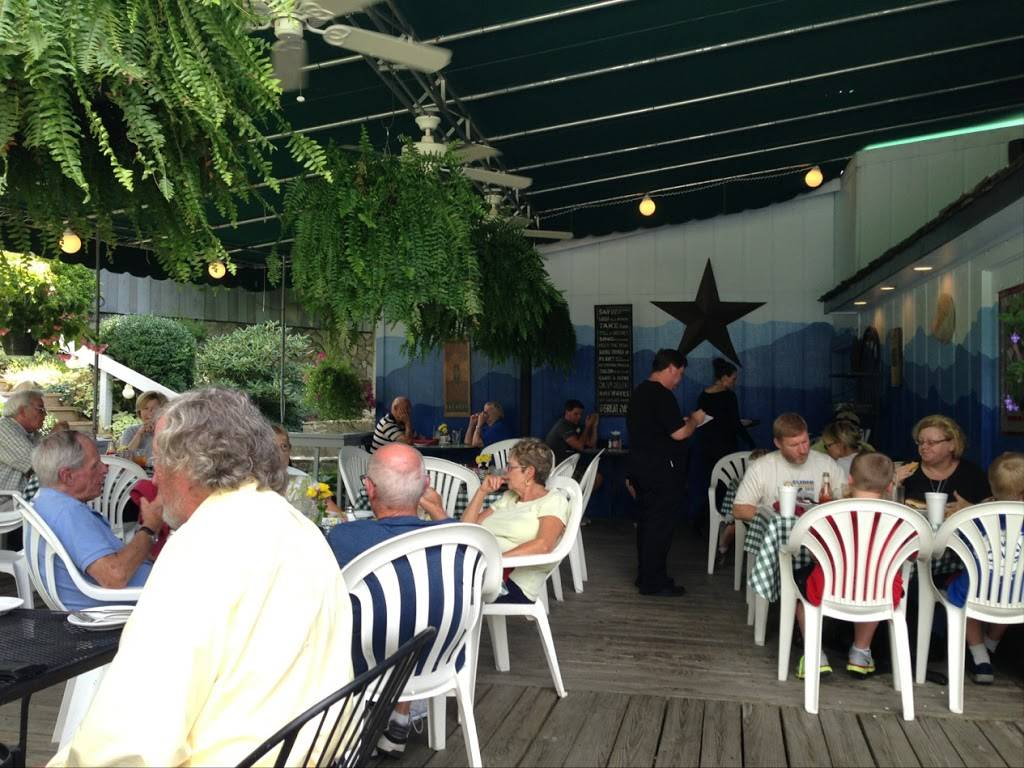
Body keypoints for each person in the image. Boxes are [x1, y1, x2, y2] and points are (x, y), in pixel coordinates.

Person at [50, 389, 353, 767]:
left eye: (159, 462)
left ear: (190, 468)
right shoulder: (299, 527)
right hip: (308, 753)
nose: (154, 477)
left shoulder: (202, 546)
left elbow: (131, 738)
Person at [327, 442, 452, 757]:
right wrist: (440, 513)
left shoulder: (345, 537)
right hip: (437, 657)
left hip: (367, 662)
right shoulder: (458, 540)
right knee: (415, 612)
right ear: (425, 486)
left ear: (369, 489)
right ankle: (398, 718)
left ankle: (351, 728)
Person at [791, 452, 900, 679]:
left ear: (849, 480)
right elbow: (914, 554)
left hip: (830, 586)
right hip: (881, 590)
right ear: (891, 485)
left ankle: (815, 655)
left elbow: (814, 552)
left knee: (802, 595)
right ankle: (860, 653)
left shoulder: (830, 513)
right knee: (875, 588)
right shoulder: (901, 518)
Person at [31, 430, 161, 609]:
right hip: (130, 609)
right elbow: (114, 577)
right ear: (67, 476)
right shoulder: (68, 513)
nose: (105, 469)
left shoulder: (46, 499)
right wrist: (150, 526)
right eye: (95, 465)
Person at [625, 350, 705, 597]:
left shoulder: (639, 392)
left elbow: (649, 431)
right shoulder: (662, 395)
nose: (679, 380)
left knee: (647, 525)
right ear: (671, 368)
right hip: (662, 473)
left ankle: (645, 575)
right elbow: (679, 433)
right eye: (679, 374)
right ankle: (655, 582)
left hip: (641, 469)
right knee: (660, 528)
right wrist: (695, 420)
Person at [944, 451, 1023, 684]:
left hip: (978, 588)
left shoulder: (978, 514)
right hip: (1019, 591)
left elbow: (959, 542)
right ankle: (991, 645)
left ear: (992, 486)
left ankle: (980, 658)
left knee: (962, 594)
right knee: (1008, 597)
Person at [462, 438, 569, 604]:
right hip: (479, 567)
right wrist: (481, 492)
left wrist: (494, 561)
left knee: (438, 584)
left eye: (510, 467)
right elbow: (466, 529)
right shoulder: (509, 497)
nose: (505, 471)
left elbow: (544, 545)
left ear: (529, 472)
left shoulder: (553, 500)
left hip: (506, 581)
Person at [732, 412, 844, 523]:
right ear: (778, 443)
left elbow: (846, 501)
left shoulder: (827, 463)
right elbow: (739, 509)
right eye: (794, 445)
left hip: (816, 529)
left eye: (805, 442)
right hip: (777, 530)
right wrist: (780, 521)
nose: (803, 450)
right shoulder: (761, 467)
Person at [897, 415, 990, 514]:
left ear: (952, 445)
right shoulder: (908, 470)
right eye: (920, 442)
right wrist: (894, 485)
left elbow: (990, 511)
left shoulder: (972, 473)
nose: (924, 447)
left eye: (931, 442)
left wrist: (970, 509)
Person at [270, 424, 341, 519]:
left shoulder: (304, 481)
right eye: (272, 448)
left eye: (284, 446)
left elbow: (338, 516)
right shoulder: (251, 484)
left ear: (290, 450)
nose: (280, 453)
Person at [714, 448, 769, 567]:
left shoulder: (771, 483)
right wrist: (730, 515)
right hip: (743, 517)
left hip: (762, 517)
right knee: (731, 528)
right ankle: (722, 549)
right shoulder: (744, 485)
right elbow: (735, 503)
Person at [697, 358, 754, 472]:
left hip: (707, 448)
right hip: (726, 447)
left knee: (713, 478)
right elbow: (735, 424)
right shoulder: (729, 396)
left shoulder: (703, 396)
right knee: (729, 478)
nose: (735, 383)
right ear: (724, 378)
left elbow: (702, 422)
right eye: (733, 379)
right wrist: (751, 443)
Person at [0, 388, 47, 508]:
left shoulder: (33, 434)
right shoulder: (4, 428)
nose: (45, 414)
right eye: (40, 409)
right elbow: (40, 463)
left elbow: (52, 459)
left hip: (20, 498)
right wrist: (55, 437)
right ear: (22, 411)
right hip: (5, 501)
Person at [118, 390, 169, 462]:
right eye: (145, 408)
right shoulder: (131, 431)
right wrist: (139, 434)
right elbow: (123, 460)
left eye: (154, 409)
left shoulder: (170, 433)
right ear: (140, 411)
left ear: (164, 411)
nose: (149, 412)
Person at [545, 399, 598, 466]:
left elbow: (591, 444)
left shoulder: (575, 426)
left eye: (580, 414)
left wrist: (594, 426)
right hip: (559, 466)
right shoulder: (563, 425)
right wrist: (587, 427)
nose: (579, 417)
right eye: (576, 414)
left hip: (570, 464)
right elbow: (580, 446)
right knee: (594, 473)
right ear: (567, 412)